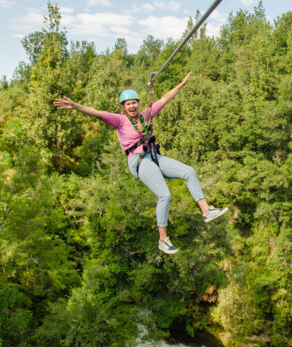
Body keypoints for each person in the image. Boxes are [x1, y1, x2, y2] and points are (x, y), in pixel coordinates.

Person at [52, 71, 228, 254]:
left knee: (189, 171)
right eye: (128, 104)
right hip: (138, 161)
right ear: (123, 107)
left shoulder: (146, 115)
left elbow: (165, 99)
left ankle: (207, 211)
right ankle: (163, 239)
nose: (132, 106)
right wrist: (75, 106)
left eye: (134, 102)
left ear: (138, 103)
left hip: (153, 156)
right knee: (165, 195)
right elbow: (96, 113)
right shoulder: (119, 120)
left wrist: (181, 85)